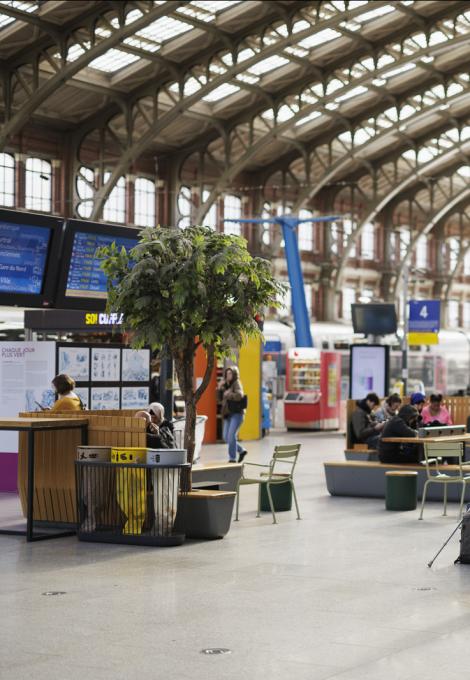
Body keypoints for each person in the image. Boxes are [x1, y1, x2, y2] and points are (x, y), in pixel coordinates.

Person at [218, 366, 248, 463]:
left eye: (230, 373)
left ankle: (232, 458)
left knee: (231, 435)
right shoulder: (225, 384)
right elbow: (219, 399)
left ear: (234, 374)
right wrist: (219, 388)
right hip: (228, 414)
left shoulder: (236, 383)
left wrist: (228, 394)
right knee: (226, 437)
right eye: (227, 373)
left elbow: (240, 395)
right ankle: (241, 450)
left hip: (237, 414)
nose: (228, 375)